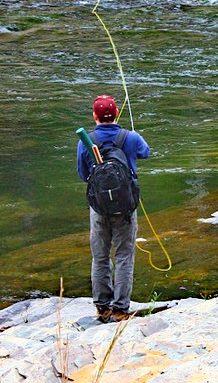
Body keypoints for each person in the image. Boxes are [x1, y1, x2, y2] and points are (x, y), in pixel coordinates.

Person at [77, 95, 150, 323]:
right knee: (124, 257)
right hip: (126, 209)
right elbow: (146, 152)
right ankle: (120, 310)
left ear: (95, 116)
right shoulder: (130, 137)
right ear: (117, 114)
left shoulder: (85, 140)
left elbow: (82, 175)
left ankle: (102, 308)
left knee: (100, 257)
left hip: (99, 209)